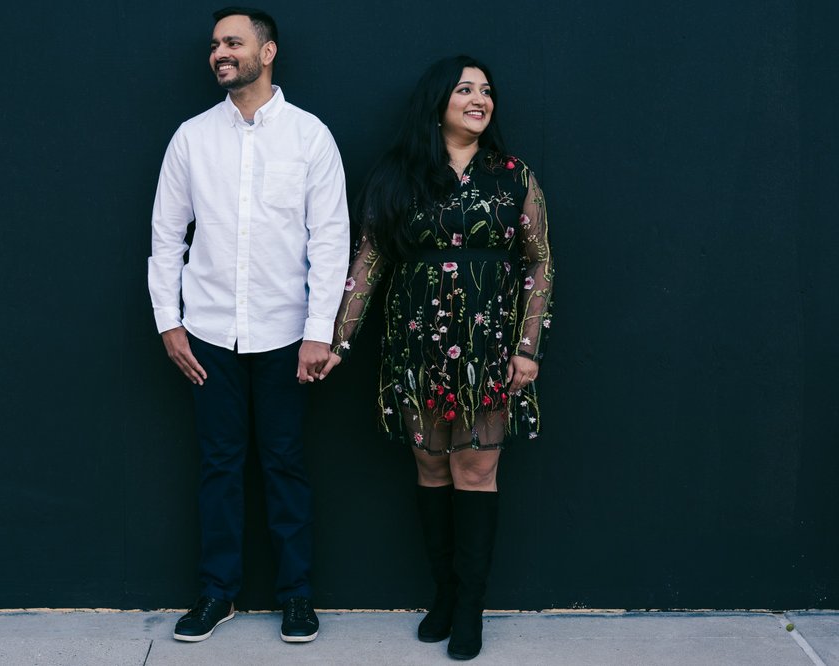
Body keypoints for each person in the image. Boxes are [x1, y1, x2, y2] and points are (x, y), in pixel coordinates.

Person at [327, 55, 553, 660]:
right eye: (465, 89)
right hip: (416, 345)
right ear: (437, 102)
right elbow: (369, 260)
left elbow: (538, 262)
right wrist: (337, 340)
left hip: (489, 347)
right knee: (430, 468)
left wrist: (527, 347)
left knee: (475, 472)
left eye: (487, 91)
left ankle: (471, 608)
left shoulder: (514, 176)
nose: (480, 99)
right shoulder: (398, 175)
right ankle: (445, 595)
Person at [148, 6, 350, 644]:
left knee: (285, 464)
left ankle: (297, 596)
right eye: (215, 45)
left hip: (286, 332)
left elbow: (331, 239)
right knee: (218, 466)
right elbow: (165, 237)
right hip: (208, 332)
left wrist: (320, 329)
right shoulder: (191, 138)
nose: (220, 53)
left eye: (232, 42)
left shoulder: (309, 136)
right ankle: (217, 593)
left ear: (267, 52)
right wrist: (169, 322)